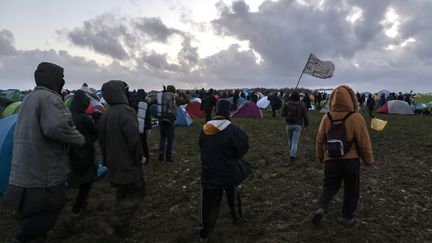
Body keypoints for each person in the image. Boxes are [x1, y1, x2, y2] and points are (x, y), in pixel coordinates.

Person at [1, 62, 85, 242]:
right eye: (61, 78)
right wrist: (78, 139)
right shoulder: (49, 99)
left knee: (33, 215)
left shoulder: (29, 98)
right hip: (43, 172)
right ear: (53, 79)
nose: (63, 81)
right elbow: (57, 127)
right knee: (42, 217)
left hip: (25, 171)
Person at [312, 85, 373, 226]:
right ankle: (347, 217)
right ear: (352, 99)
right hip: (351, 161)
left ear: (332, 100)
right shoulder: (356, 118)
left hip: (330, 160)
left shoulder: (326, 118)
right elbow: (364, 142)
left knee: (329, 186)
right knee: (351, 189)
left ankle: (321, 207)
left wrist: (320, 157)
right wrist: (368, 160)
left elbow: (320, 140)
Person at [98, 80, 146, 241]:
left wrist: (106, 160)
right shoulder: (126, 111)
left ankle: (119, 230)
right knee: (137, 193)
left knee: (121, 194)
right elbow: (134, 139)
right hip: (128, 164)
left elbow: (102, 142)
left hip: (113, 163)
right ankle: (115, 220)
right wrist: (138, 157)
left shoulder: (105, 114)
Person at [198, 99, 250, 242]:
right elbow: (243, 147)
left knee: (209, 204)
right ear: (228, 112)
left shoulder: (204, 129)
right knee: (233, 195)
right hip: (229, 173)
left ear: (216, 110)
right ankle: (237, 217)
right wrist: (233, 156)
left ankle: (205, 231)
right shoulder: (233, 129)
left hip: (209, 173)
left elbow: (201, 146)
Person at [67, 90, 99, 217]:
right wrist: (96, 122)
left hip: (72, 152)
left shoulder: (68, 116)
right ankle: (77, 209)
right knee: (86, 181)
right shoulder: (84, 118)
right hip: (84, 152)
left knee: (80, 179)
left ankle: (82, 205)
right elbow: (95, 134)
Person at [158, 85, 190, 163]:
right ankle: (168, 158)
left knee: (162, 137)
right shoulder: (175, 99)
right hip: (170, 119)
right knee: (170, 139)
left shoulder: (161, 97)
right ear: (174, 90)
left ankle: (161, 152)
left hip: (162, 118)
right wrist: (181, 93)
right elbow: (187, 100)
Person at [281, 92, 309, 163]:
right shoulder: (302, 104)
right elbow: (305, 116)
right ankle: (292, 156)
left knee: (290, 141)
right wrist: (306, 126)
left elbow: (283, 114)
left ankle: (292, 154)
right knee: (295, 142)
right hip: (298, 125)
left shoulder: (286, 104)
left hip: (289, 125)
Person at [131, 89, 152, 163]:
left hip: (133, 125)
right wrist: (149, 127)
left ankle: (136, 158)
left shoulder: (132, 102)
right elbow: (148, 116)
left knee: (134, 143)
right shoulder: (145, 103)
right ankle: (146, 158)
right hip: (143, 126)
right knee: (144, 143)